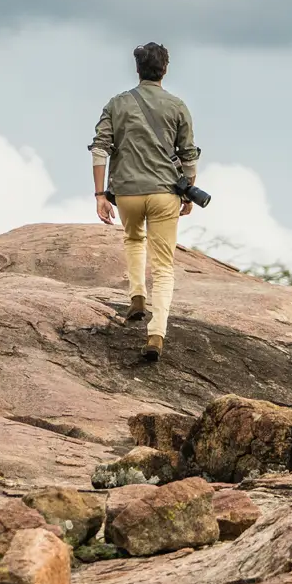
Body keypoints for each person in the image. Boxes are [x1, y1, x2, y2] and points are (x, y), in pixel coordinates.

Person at [89, 42, 200, 361]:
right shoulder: (177, 106)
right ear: (165, 69)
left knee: (134, 238)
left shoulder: (117, 104)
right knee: (164, 267)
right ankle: (156, 335)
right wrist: (189, 191)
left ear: (138, 68)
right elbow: (188, 155)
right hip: (165, 193)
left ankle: (137, 296)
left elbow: (100, 149)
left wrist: (99, 195)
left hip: (127, 192)